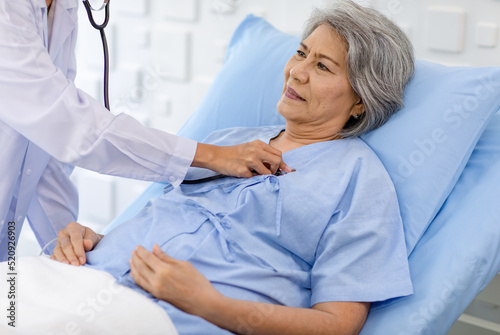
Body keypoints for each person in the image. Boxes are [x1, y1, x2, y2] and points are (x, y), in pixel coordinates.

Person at [7, 1, 415, 334]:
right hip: (71, 281)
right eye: (301, 52)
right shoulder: (227, 142)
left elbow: (336, 325)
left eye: (323, 66)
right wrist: (89, 239)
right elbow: (60, 122)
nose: (297, 72)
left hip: (149, 317)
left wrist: (208, 303)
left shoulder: (359, 180)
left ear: (361, 100)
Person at [0, 0, 289, 261]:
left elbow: (43, 147)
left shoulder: (62, 7)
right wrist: (210, 156)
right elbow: (69, 122)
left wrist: (66, 248)